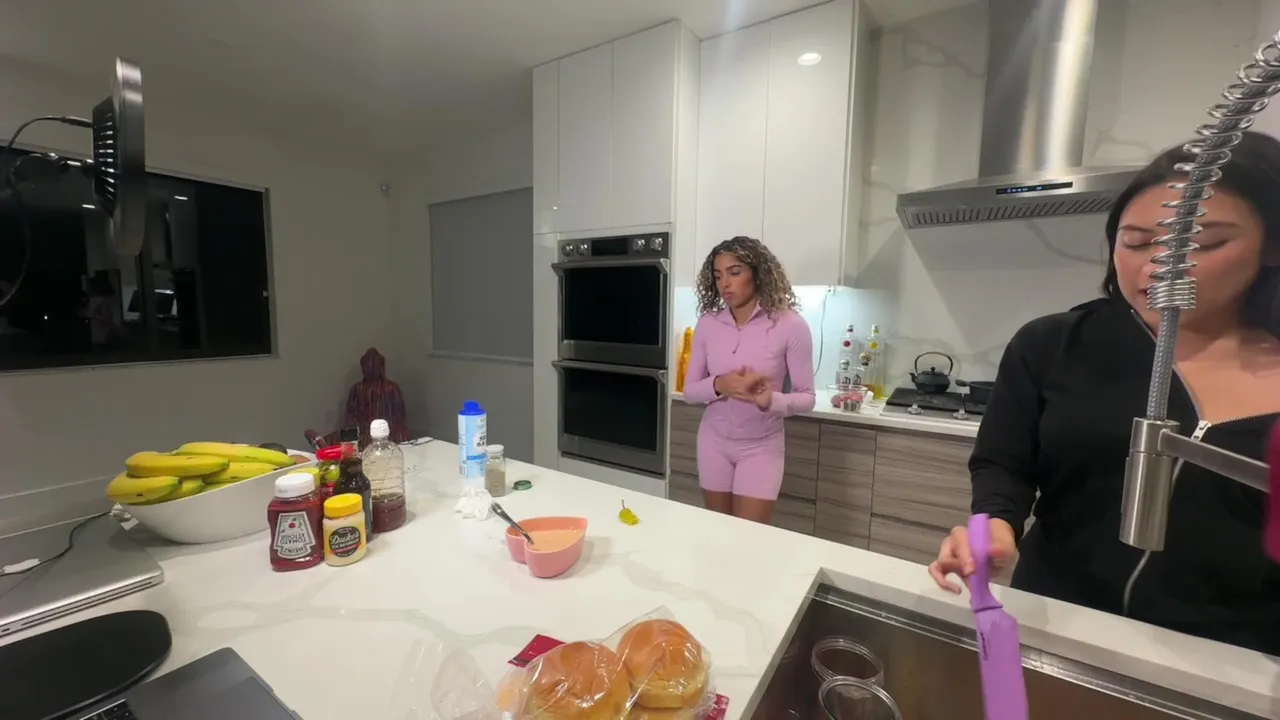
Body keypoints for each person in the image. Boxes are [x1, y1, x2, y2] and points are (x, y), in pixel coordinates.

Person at [928, 131, 1280, 655]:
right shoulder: (1055, 344)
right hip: (1056, 622)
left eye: (1204, 243)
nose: (1160, 266)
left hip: (1228, 659)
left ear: (1272, 244)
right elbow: (1003, 464)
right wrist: (993, 527)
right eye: (1136, 243)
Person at [682, 236, 815, 523]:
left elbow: (807, 397)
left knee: (750, 537)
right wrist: (719, 385)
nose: (725, 284)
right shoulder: (708, 324)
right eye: (718, 275)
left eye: (734, 272)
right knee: (718, 530)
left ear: (757, 273)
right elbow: (690, 391)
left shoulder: (790, 325)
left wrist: (770, 400)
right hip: (713, 442)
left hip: (761, 447)